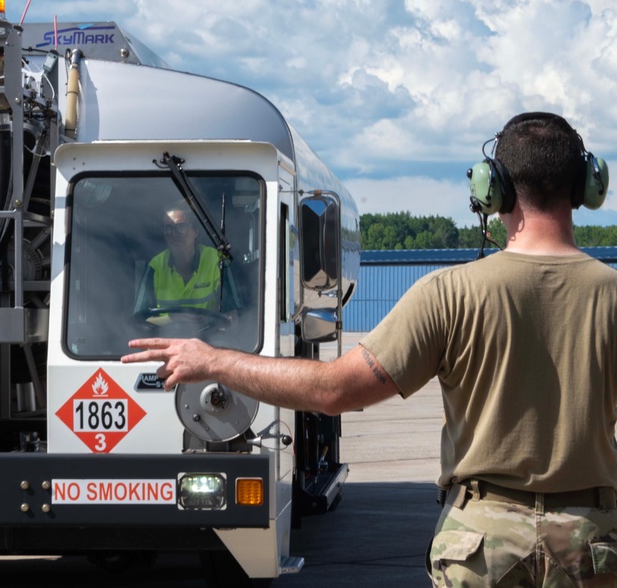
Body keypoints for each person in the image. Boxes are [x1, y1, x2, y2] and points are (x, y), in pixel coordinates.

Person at [122, 113, 617, 587]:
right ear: (587, 187)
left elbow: (333, 390)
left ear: (494, 190)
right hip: (594, 544)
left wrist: (213, 360)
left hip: (485, 546)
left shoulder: (449, 293)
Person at [132, 200, 240, 324]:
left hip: (208, 340)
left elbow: (232, 317)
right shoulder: (155, 267)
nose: (174, 234)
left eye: (181, 227)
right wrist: (172, 320)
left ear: (195, 232)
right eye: (168, 228)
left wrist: (205, 322)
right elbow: (139, 321)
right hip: (165, 340)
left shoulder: (217, 261)